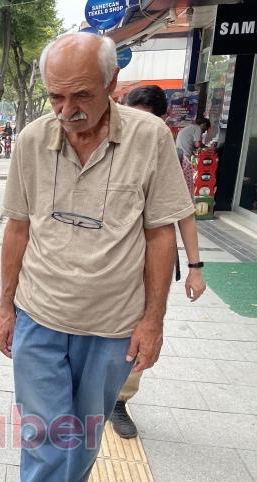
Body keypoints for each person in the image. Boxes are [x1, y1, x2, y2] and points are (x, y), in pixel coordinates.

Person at [0, 33, 194, 482]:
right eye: (54, 98)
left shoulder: (151, 138)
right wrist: (5, 308)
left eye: (79, 95)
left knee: (83, 437)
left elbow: (161, 234)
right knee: (44, 440)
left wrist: (153, 320)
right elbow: (17, 228)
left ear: (112, 86)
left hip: (112, 326)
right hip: (40, 315)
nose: (65, 111)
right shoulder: (33, 141)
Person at [109, 85, 208, 439]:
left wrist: (195, 268)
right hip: (107, 260)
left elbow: (184, 213)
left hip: (148, 259)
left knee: (141, 327)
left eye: (144, 119)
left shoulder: (170, 156)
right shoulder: (109, 146)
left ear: (162, 119)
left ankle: (120, 399)